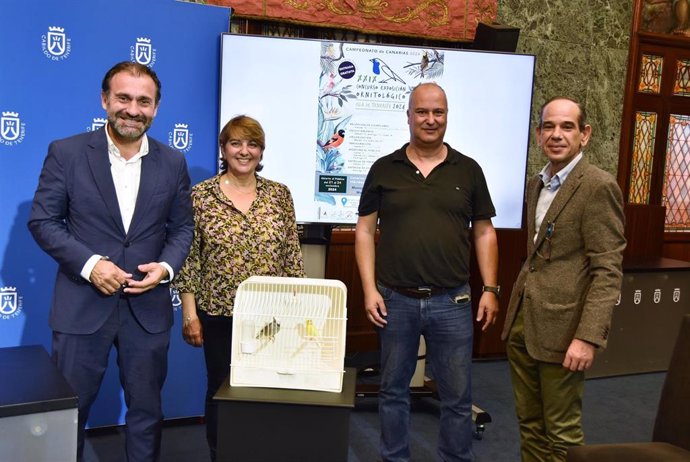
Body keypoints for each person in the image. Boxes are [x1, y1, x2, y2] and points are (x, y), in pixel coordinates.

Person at [28, 62, 194, 461]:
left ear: (155, 108)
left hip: (147, 310)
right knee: (68, 414)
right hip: (82, 306)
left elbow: (182, 229)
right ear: (105, 100)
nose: (132, 109)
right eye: (123, 98)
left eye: (143, 101)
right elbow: (43, 221)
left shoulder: (173, 163)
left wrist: (166, 268)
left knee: (147, 413)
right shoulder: (66, 153)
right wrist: (90, 265)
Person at [355, 82, 499, 462]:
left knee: (457, 397)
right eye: (422, 112)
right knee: (392, 392)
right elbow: (365, 231)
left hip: (453, 300)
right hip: (394, 300)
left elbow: (484, 232)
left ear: (447, 116)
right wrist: (370, 289)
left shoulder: (468, 170)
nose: (430, 120)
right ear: (408, 116)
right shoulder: (384, 169)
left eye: (438, 112)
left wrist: (490, 288)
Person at [501, 96, 626, 461]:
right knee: (529, 425)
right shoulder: (536, 184)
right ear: (538, 134)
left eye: (567, 127)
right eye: (549, 127)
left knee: (562, 434)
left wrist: (587, 337)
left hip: (566, 330)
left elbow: (607, 270)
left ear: (584, 135)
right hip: (524, 323)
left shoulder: (597, 186)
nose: (557, 135)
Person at [173, 114, 305, 461]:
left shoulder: (280, 195)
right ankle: (222, 453)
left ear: (261, 151)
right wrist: (190, 314)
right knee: (221, 387)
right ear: (223, 148)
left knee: (269, 390)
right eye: (236, 143)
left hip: (273, 317)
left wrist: (298, 311)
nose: (244, 151)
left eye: (252, 144)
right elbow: (189, 261)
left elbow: (292, 256)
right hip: (217, 314)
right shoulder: (199, 197)